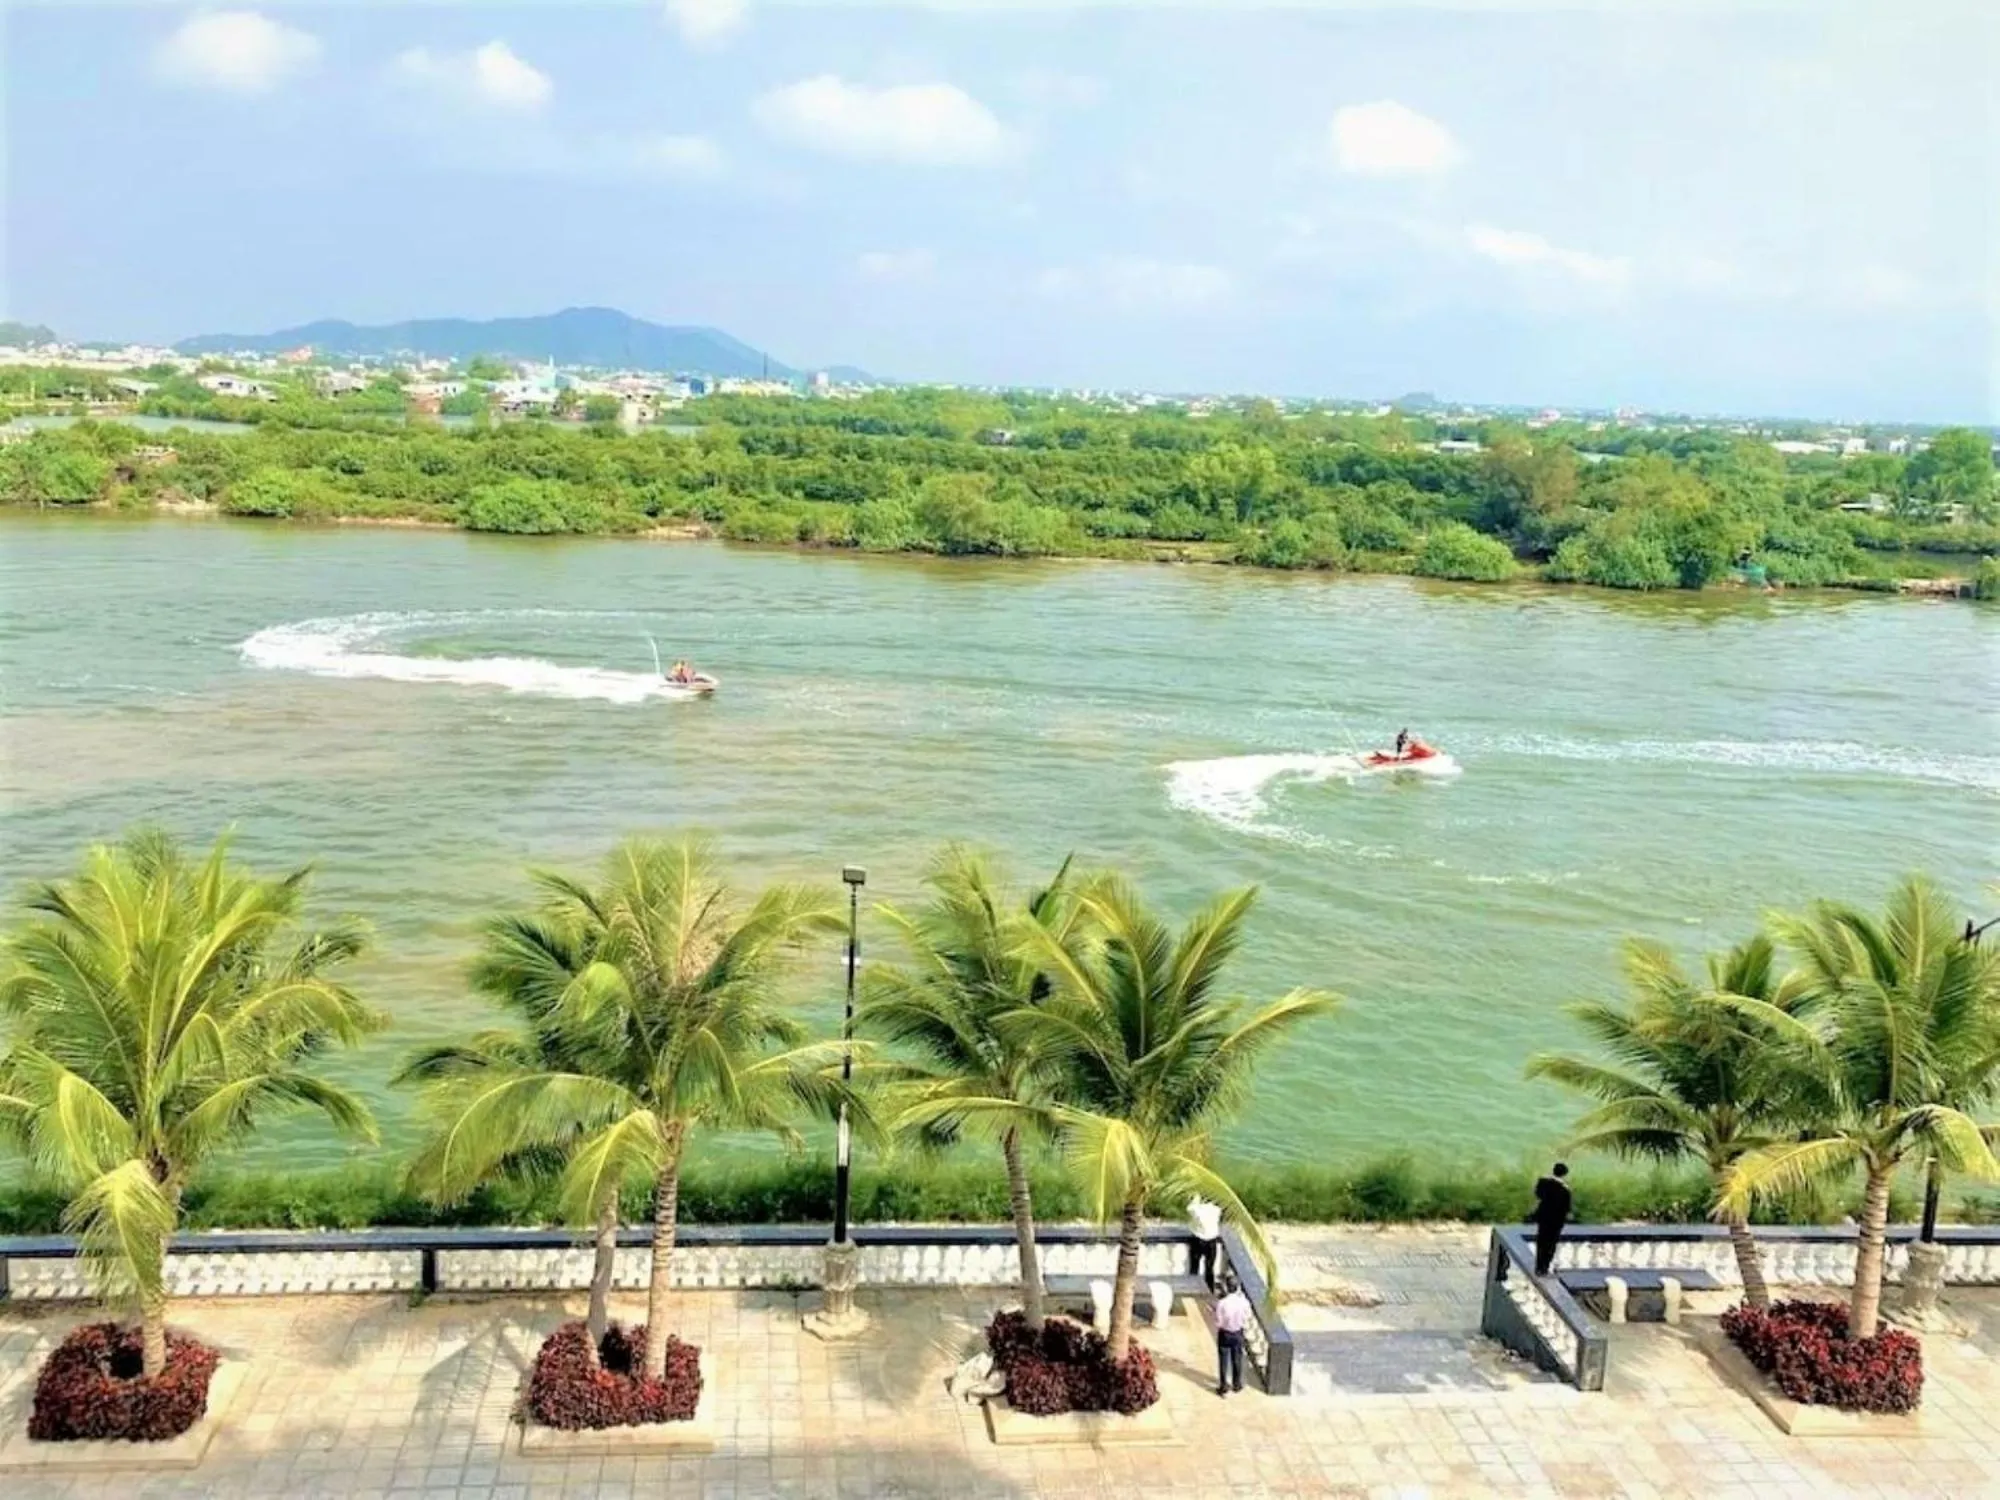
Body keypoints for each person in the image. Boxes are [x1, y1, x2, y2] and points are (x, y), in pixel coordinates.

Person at [1530, 1162, 1572, 1276]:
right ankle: (1544, 1267)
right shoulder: (1565, 1190)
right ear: (1564, 1174)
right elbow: (1567, 1209)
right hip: (1556, 1222)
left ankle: (1538, 1266)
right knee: (1551, 1244)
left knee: (1541, 1241)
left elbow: (1538, 1195)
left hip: (1543, 1217)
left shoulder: (1543, 1182)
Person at [1213, 1271, 1252, 1396]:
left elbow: (1218, 1321)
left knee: (1224, 1359)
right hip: (1238, 1333)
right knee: (1237, 1358)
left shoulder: (1222, 1303)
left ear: (1226, 1287)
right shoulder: (1244, 1302)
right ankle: (1237, 1384)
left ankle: (1223, 1385)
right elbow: (1247, 1317)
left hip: (1225, 1333)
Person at [1188, 1195, 1222, 1290]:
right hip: (1212, 1241)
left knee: (1194, 1266)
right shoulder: (1216, 1210)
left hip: (1198, 1240)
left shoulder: (1196, 1210)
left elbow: (1189, 1208)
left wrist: (1195, 1199)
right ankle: (1210, 1288)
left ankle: (1192, 1287)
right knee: (1209, 1268)